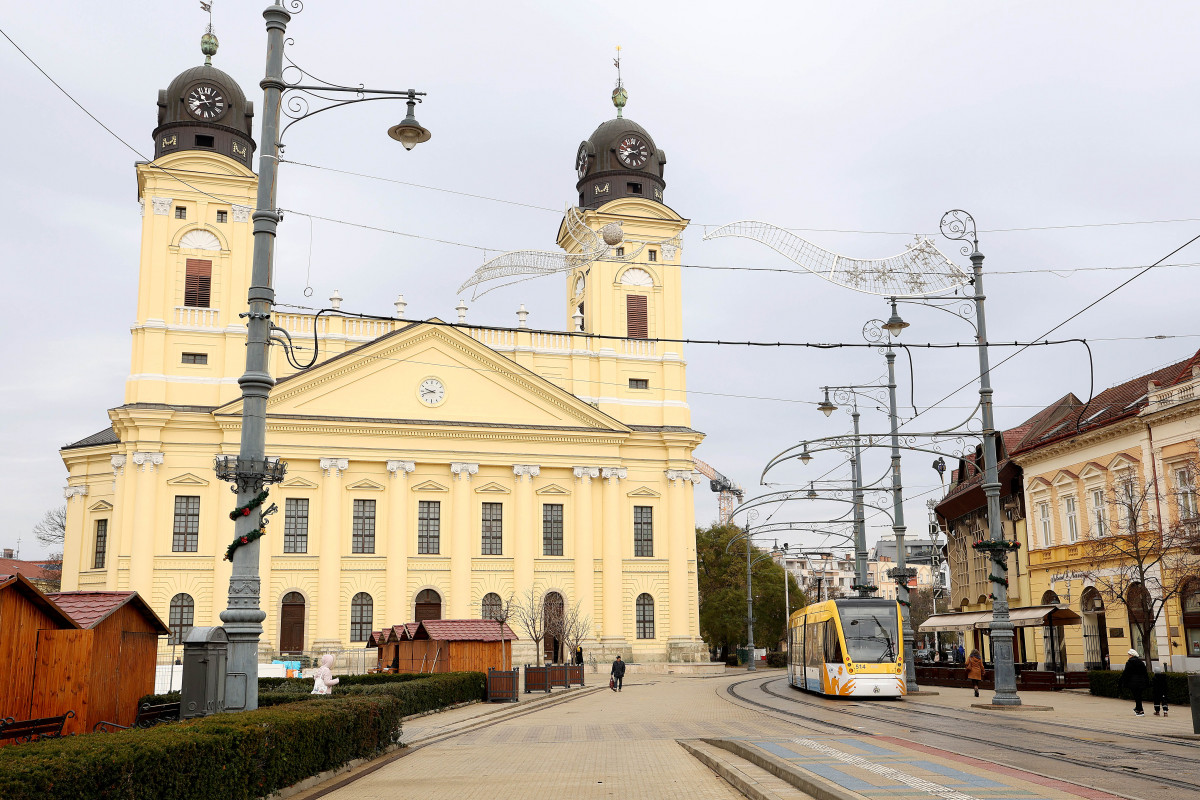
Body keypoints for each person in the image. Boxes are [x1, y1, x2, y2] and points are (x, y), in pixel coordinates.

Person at [1118, 648, 1148, 716]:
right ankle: (1138, 708)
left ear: (1131, 655)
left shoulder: (1129, 663)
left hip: (1133, 682)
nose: (1128, 656)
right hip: (1141, 681)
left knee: (1136, 696)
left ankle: (1140, 710)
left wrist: (1123, 681)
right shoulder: (1141, 662)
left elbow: (1126, 673)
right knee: (1139, 695)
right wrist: (1146, 681)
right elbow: (1145, 673)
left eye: (1128, 655)